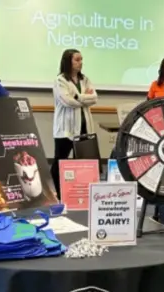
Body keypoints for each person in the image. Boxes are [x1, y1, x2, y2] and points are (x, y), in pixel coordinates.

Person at [51, 48, 97, 199]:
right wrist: (84, 98)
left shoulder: (85, 79)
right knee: (60, 160)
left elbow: (95, 98)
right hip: (66, 128)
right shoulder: (60, 80)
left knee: (84, 162)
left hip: (84, 126)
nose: (80, 63)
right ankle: (57, 194)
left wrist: (77, 96)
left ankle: (81, 194)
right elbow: (67, 101)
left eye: (81, 59)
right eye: (77, 60)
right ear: (68, 62)